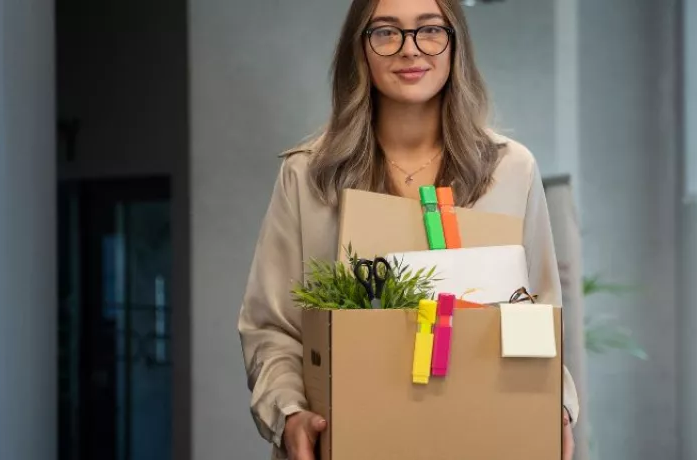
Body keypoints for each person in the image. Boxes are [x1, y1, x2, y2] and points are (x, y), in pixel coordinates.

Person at [237, 0, 579, 459]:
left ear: (455, 43)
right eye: (385, 32)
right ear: (359, 48)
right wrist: (290, 414)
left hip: (481, 440)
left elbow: (540, 315)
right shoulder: (309, 175)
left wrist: (555, 407)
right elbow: (270, 329)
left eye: (430, 30)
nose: (410, 50)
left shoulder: (511, 170)